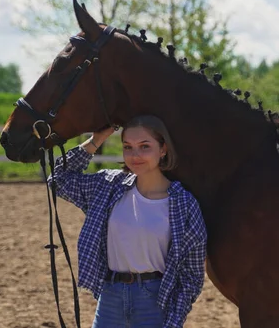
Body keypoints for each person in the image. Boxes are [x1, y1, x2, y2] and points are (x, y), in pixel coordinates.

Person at [48, 115, 207, 328]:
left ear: (163, 149)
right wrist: (97, 139)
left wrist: (174, 321)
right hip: (109, 299)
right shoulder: (108, 186)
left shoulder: (184, 204)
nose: (135, 155)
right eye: (128, 147)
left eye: (144, 146)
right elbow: (58, 179)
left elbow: (191, 276)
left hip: (154, 301)